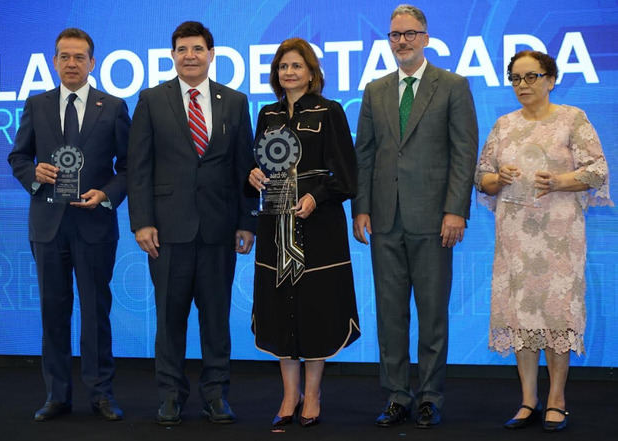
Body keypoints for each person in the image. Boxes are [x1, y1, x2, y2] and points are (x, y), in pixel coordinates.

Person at [352, 4, 478, 428]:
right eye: (394, 35)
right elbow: (364, 153)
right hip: (385, 220)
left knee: (432, 314)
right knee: (390, 315)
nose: (401, 41)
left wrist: (455, 210)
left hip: (434, 220)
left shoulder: (453, 86)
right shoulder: (375, 89)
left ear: (425, 37)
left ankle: (429, 396)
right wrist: (362, 208)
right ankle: (396, 396)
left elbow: (464, 154)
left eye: (409, 33)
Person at [475, 50, 611, 432]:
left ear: (550, 79)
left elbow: (598, 170)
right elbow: (481, 177)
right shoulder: (503, 125)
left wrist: (560, 181)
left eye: (531, 77)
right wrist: (497, 179)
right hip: (515, 237)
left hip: (559, 236)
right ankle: (528, 399)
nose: (523, 85)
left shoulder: (572, 119)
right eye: (516, 78)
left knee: (556, 314)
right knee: (520, 315)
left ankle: (557, 399)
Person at [127, 21, 256, 425]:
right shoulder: (151, 99)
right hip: (166, 232)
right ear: (173, 56)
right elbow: (139, 166)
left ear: (211, 54)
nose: (190, 56)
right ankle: (170, 395)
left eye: (197, 49)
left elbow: (244, 167)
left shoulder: (235, 101)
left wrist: (246, 222)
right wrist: (142, 222)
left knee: (216, 318)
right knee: (169, 318)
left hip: (219, 230)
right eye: (182, 49)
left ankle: (216, 394)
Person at [8, 28, 129, 422]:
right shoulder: (37, 105)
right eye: (65, 56)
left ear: (92, 63)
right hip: (47, 224)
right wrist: (34, 174)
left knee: (97, 312)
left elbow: (128, 168)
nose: (72, 63)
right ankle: (56, 395)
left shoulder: (112, 106)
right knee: (52, 312)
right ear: (55, 61)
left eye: (79, 57)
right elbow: (18, 157)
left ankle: (101, 394)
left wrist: (106, 194)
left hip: (94, 223)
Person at [248, 38, 360, 430]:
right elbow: (253, 170)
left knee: (315, 308)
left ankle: (312, 394)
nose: (289, 72)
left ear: (311, 72)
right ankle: (289, 394)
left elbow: (346, 176)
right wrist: (253, 175)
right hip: (274, 226)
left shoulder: (330, 112)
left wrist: (316, 196)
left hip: (319, 227)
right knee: (279, 307)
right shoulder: (266, 114)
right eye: (283, 66)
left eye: (297, 65)